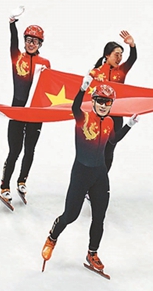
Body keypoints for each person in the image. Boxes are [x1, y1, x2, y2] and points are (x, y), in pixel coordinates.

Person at [41, 75, 139, 272]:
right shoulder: (82, 118)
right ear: (93, 101)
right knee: (70, 215)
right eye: (100, 101)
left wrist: (129, 125)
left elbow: (113, 140)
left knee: (99, 217)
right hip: (81, 174)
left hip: (100, 175)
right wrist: (82, 89)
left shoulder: (109, 122)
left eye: (107, 102)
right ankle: (52, 237)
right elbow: (75, 107)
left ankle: (92, 253)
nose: (103, 105)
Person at [0, 7, 51, 207]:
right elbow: (12, 42)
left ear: (40, 44)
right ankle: (4, 186)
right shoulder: (16, 57)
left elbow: (50, 88)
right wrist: (12, 23)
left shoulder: (45, 63)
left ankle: (22, 181)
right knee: (15, 150)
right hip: (18, 111)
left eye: (35, 41)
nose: (31, 44)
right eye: (28, 40)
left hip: (36, 113)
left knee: (30, 149)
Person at [89, 30, 137, 171]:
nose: (119, 58)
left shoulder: (121, 71)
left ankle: (102, 178)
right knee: (95, 148)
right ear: (107, 55)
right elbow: (84, 89)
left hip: (116, 116)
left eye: (121, 55)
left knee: (109, 150)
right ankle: (90, 180)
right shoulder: (96, 72)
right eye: (116, 54)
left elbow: (132, 59)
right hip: (98, 116)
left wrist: (132, 45)